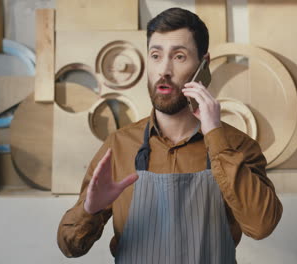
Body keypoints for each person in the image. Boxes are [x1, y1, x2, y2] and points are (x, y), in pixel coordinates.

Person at [57, 7, 282, 263]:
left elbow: (262, 225)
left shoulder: (238, 146)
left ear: (203, 65)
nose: (164, 70)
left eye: (179, 57)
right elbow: (69, 246)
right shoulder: (119, 146)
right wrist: (90, 209)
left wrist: (216, 138)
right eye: (155, 55)